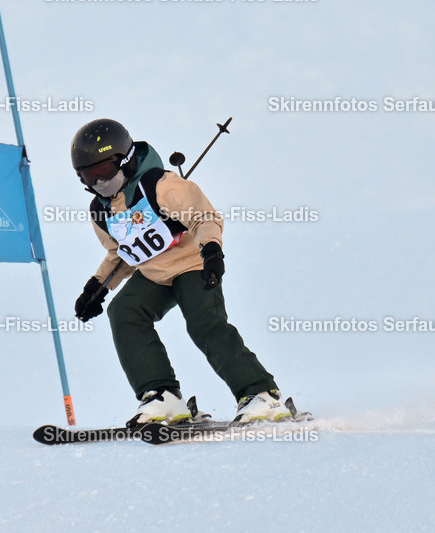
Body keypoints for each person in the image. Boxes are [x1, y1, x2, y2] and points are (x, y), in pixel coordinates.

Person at [71, 118, 287, 427]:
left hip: (192, 264)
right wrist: (97, 288)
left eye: (103, 171)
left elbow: (204, 217)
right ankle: (162, 396)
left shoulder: (161, 186)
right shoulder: (101, 210)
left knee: (204, 324)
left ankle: (260, 394)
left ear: (126, 160)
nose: (99, 182)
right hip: (154, 274)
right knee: (124, 311)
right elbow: (121, 254)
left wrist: (212, 250)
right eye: (88, 176)